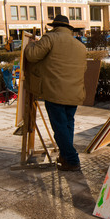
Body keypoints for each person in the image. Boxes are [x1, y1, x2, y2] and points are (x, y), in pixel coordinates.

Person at [24, 15, 87, 171]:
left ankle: (72, 160)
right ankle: (65, 157)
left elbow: (32, 56)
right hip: (74, 92)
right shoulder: (79, 45)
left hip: (55, 91)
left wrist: (30, 45)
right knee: (67, 126)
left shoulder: (50, 38)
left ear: (54, 26)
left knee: (59, 128)